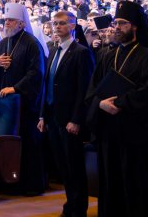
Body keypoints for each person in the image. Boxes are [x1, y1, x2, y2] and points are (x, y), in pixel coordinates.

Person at [85, 0, 148, 217]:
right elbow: (92, 90)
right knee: (111, 184)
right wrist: (100, 104)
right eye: (115, 23)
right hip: (109, 133)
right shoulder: (107, 56)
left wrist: (119, 104)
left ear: (134, 26)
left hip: (136, 136)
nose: (116, 27)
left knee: (136, 186)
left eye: (122, 23)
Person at [0, 2, 46, 195]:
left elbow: (36, 73)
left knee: (26, 144)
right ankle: (6, 182)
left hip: (25, 104)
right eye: (5, 20)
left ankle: (29, 185)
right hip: (5, 104)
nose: (6, 23)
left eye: (10, 20)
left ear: (21, 23)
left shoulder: (32, 44)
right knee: (6, 145)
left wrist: (16, 88)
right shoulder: (2, 44)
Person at [38, 11, 94, 217]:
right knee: (62, 166)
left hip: (70, 119)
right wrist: (43, 116)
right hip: (53, 117)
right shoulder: (53, 50)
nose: (57, 27)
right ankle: (70, 205)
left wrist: (76, 119)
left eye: (61, 23)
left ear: (72, 26)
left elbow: (84, 89)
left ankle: (78, 209)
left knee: (74, 167)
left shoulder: (81, 52)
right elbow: (47, 84)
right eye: (55, 23)